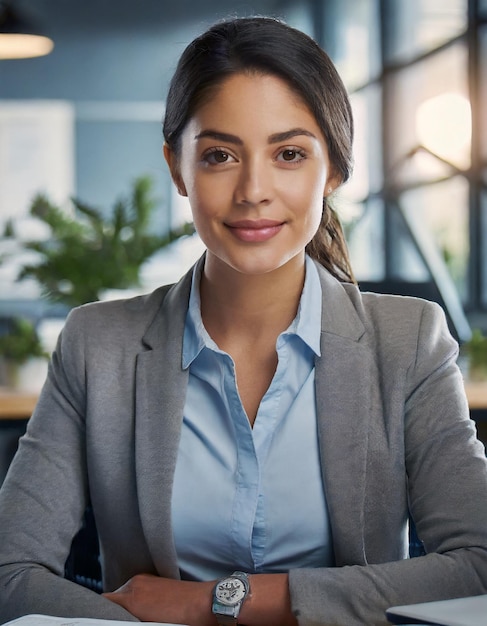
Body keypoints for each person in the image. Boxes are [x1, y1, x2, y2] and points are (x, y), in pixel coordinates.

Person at [0, 15, 486, 626]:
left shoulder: (408, 342)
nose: (253, 190)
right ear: (177, 168)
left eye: (288, 154)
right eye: (220, 155)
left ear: (332, 169)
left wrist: (216, 604)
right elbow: (10, 573)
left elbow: (479, 562)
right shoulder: (98, 346)